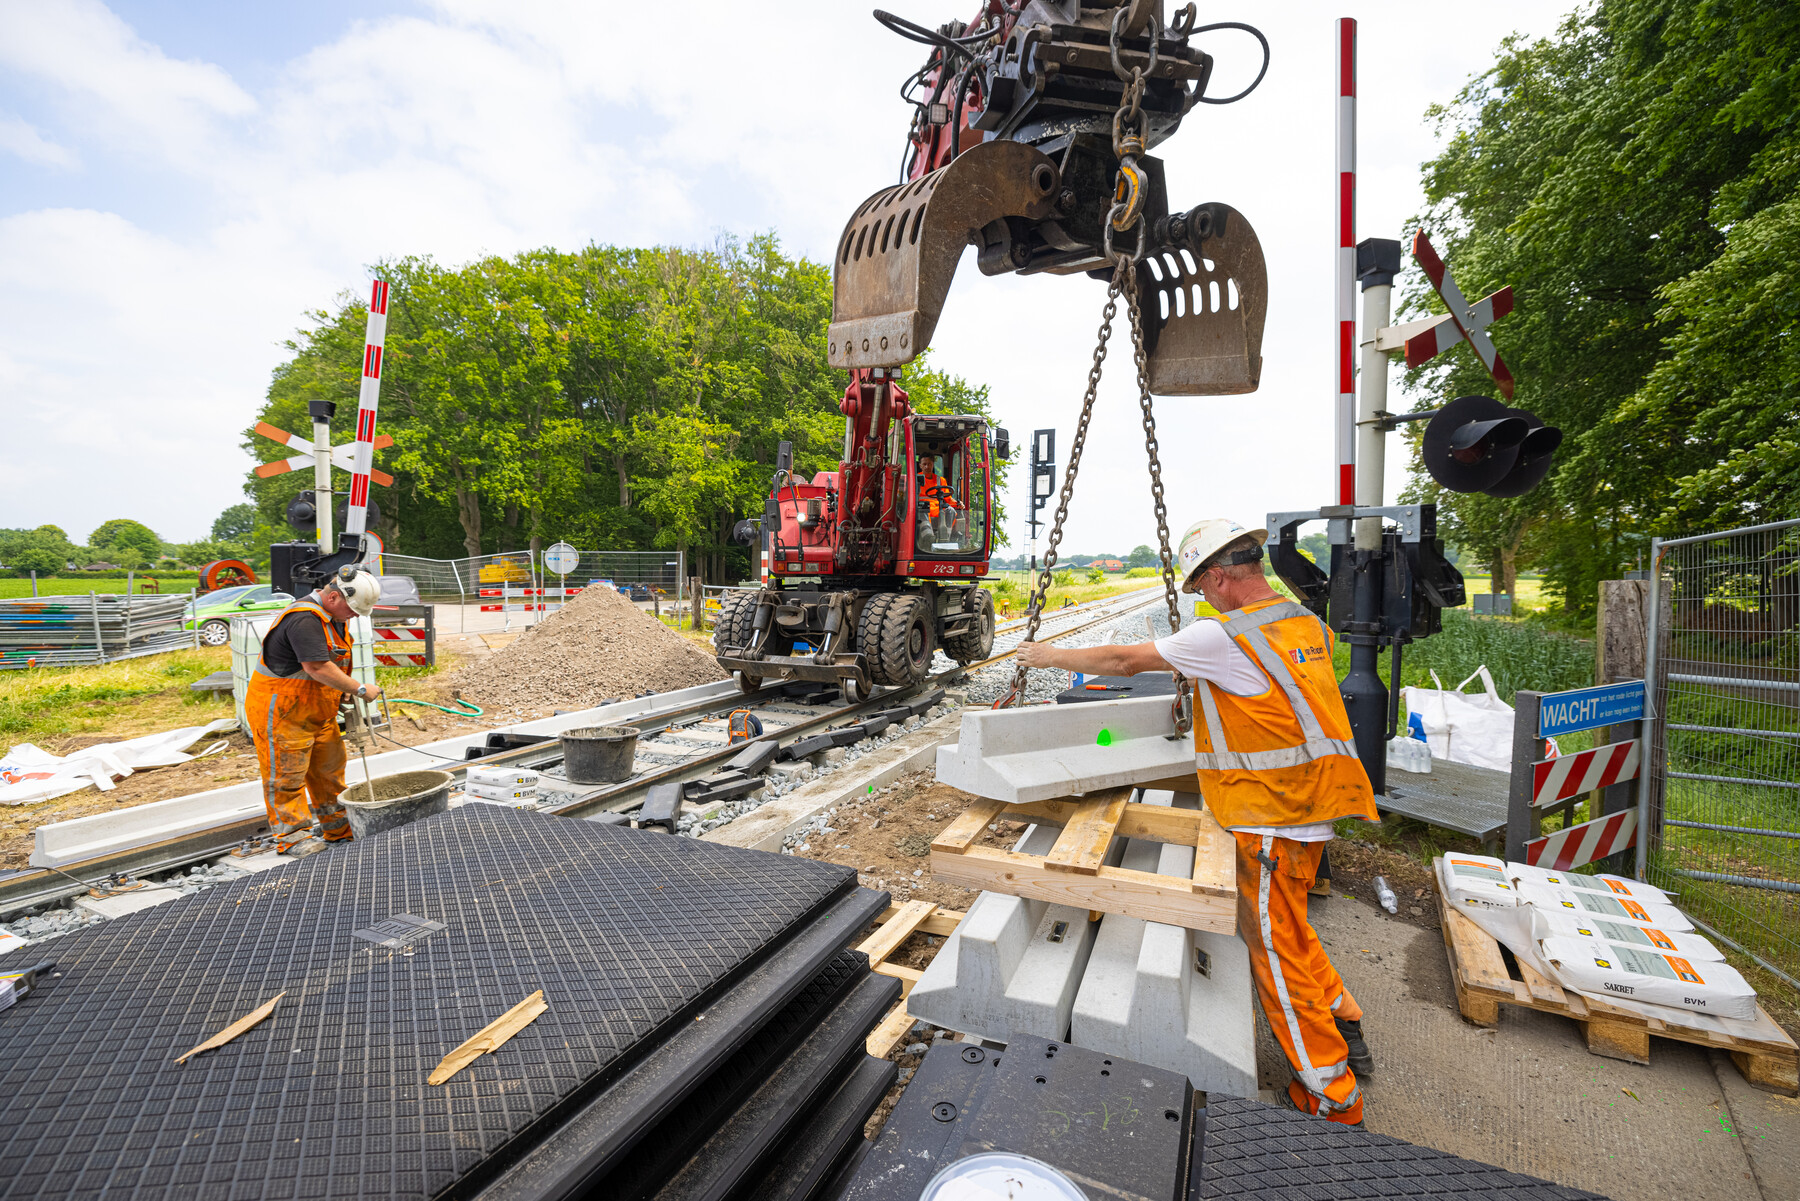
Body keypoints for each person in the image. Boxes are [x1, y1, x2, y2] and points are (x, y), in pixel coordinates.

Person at [1016, 518, 1379, 1126]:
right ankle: (1344, 1016)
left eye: (1202, 587)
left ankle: (1331, 1094)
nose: (1203, 599)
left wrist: (1044, 654)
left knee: (1273, 953)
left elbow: (1124, 659)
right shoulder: (1302, 624)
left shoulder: (1222, 636)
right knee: (1289, 927)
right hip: (1314, 806)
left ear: (1218, 576)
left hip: (1273, 817)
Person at [244, 567, 384, 858]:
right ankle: (292, 836)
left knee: (328, 771)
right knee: (286, 776)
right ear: (333, 596)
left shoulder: (333, 618)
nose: (356, 616)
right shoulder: (304, 619)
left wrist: (341, 688)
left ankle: (337, 826)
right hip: (281, 712)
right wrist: (358, 688)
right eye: (353, 609)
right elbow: (317, 667)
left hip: (316, 710)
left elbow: (328, 667)